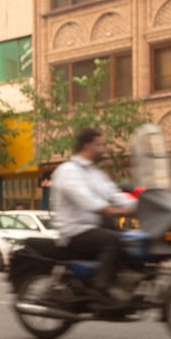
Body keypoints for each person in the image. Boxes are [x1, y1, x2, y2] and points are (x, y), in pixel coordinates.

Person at [50, 127, 136, 303]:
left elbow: (114, 194)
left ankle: (129, 285)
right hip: (75, 231)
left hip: (95, 228)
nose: (103, 149)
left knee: (132, 240)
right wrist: (117, 211)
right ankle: (101, 288)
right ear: (88, 145)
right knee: (112, 241)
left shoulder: (95, 173)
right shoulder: (69, 171)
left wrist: (140, 205)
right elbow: (87, 200)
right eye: (100, 144)